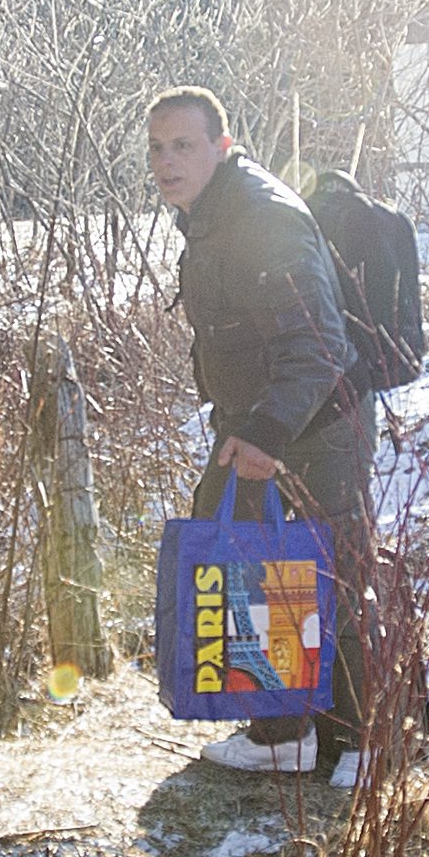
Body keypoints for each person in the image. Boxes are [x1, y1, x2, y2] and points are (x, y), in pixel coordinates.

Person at [146, 87, 376, 782]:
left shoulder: (259, 216)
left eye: (182, 145)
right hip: (269, 429)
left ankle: (363, 747)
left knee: (332, 579)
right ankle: (284, 733)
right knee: (272, 579)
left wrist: (266, 434)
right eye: (156, 148)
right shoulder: (212, 215)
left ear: (221, 147)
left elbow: (318, 344)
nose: (165, 161)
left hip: (318, 431)